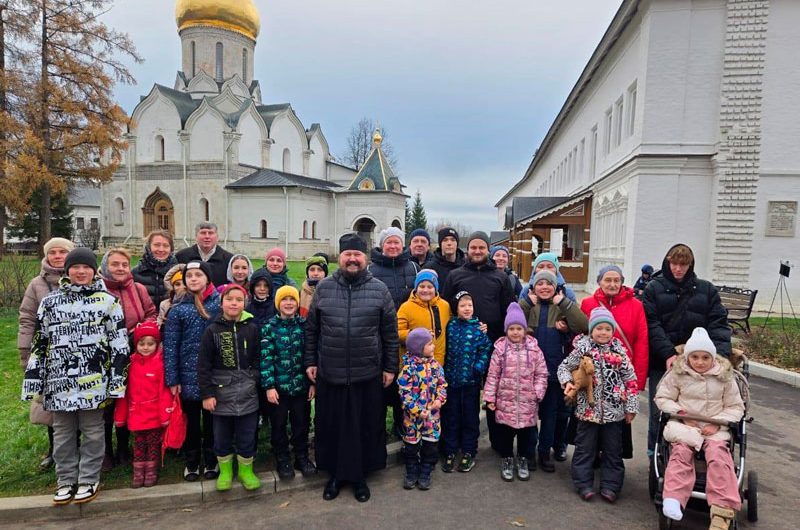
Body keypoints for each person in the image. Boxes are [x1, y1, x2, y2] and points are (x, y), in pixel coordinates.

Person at [21, 247, 129, 505]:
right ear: (67, 270)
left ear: (94, 271)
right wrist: (34, 378)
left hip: (94, 381)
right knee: (62, 432)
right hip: (59, 383)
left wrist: (117, 382)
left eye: (86, 267)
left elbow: (119, 344)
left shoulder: (108, 302)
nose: (81, 272)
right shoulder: (50, 302)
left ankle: (89, 478)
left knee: (93, 431)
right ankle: (66, 478)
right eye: (76, 267)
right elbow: (40, 342)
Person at [304, 233, 399, 503]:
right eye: (348, 255)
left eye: (358, 255)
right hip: (331, 371)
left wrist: (390, 367)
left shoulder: (379, 289)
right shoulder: (324, 288)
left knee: (364, 426)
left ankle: (359, 477)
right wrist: (310, 361)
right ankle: (334, 475)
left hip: (366, 372)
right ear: (340, 257)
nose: (353, 259)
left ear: (365, 258)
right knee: (333, 426)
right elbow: (312, 330)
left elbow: (389, 334)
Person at [643, 243, 731, 456]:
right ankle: (655, 452)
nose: (678, 269)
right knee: (661, 408)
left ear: (690, 265)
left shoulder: (706, 290)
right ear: (668, 262)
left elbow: (718, 324)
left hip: (699, 359)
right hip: (664, 359)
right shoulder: (654, 288)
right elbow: (652, 324)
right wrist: (668, 353)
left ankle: (695, 450)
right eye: (674, 263)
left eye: (683, 264)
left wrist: (719, 356)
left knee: (699, 408)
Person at [655, 328, 745, 529]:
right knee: (679, 454)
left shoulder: (725, 377)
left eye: (705, 357)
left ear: (713, 358)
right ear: (687, 357)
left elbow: (736, 406)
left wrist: (718, 422)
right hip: (685, 425)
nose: (700, 362)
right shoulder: (677, 374)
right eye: (695, 357)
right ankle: (673, 499)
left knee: (719, 456)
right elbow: (663, 398)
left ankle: (722, 510)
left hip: (715, 427)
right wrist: (681, 415)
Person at [440, 231, 515, 451]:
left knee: (494, 394)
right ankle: (455, 443)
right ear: (468, 249)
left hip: (493, 347)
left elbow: (509, 310)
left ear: (488, 250)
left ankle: (498, 441)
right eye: (473, 247)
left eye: (482, 247)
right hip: (462, 350)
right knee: (461, 399)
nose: (477, 251)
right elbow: (446, 309)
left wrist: (493, 331)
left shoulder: (500, 277)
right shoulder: (456, 275)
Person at [558, 307, 639, 502]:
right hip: (588, 411)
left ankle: (611, 486)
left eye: (607, 329)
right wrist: (567, 382)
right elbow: (563, 367)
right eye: (599, 328)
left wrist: (631, 407)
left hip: (614, 411)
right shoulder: (582, 349)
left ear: (612, 331)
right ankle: (583, 483)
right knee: (585, 449)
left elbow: (631, 380)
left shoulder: (619, 351)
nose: (603, 333)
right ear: (591, 330)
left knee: (613, 451)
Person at [520, 270, 588, 472]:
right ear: (533, 287)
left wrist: (564, 303)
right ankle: (528, 452)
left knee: (550, 415)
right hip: (528, 371)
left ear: (556, 287)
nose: (544, 287)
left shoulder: (562, 307)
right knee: (529, 415)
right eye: (539, 283)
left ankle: (544, 451)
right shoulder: (528, 305)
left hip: (552, 370)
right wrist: (526, 303)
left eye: (548, 284)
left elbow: (583, 325)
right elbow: (511, 320)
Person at [197, 284, 262, 491]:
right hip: (220, 392)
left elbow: (259, 358)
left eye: (239, 300)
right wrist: (207, 394)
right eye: (229, 299)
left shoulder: (252, 328)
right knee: (222, 435)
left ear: (245, 303)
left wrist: (255, 378)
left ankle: (245, 471)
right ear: (221, 302)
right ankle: (225, 471)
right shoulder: (212, 330)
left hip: (248, 393)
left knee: (247, 434)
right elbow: (204, 365)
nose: (234, 303)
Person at [18, 237, 75, 470]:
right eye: (53, 252)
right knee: (52, 403)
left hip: (79, 351)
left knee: (78, 403)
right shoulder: (37, 285)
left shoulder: (84, 277)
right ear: (47, 255)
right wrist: (25, 351)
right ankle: (55, 450)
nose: (58, 256)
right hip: (49, 352)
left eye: (63, 252)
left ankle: (78, 447)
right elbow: (27, 317)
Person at [580, 264, 648, 459]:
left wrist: (639, 379)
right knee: (590, 419)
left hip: (620, 375)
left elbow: (641, 342)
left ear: (622, 282)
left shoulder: (636, 306)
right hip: (593, 374)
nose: (612, 284)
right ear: (599, 281)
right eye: (607, 280)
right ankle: (590, 458)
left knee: (616, 425)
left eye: (616, 280)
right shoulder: (587, 304)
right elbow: (580, 337)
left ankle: (611, 460)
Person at [163, 260, 222, 481]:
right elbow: (170, 346)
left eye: (198, 275)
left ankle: (211, 458)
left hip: (213, 376)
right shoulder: (179, 309)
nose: (194, 279)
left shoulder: (218, 305)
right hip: (187, 376)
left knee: (211, 421)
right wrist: (173, 378)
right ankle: (191, 460)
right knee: (191, 422)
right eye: (190, 276)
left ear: (207, 278)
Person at [100, 248, 158, 470]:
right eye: (115, 264)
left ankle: (124, 447)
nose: (121, 269)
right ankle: (106, 451)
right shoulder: (98, 289)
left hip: (133, 352)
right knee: (107, 404)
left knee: (127, 399)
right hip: (105, 354)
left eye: (124, 264)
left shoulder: (138, 289)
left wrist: (141, 332)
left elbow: (151, 313)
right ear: (106, 266)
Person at [483, 302, 548, 482]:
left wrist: (538, 392)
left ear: (525, 330)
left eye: (519, 328)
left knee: (526, 436)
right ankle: (507, 459)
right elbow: (493, 375)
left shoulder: (534, 349)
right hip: (505, 402)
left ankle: (523, 459)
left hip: (528, 402)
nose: (515, 332)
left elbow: (542, 373)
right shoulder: (500, 350)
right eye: (512, 328)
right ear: (506, 330)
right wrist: (489, 397)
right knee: (505, 435)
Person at [261, 286, 317, 480]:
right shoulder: (269, 327)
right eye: (284, 300)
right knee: (278, 424)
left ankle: (301, 456)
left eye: (292, 299)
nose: (288, 303)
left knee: (301, 423)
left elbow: (310, 355)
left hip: (301, 387)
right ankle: (282, 456)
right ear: (278, 304)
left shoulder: (304, 326)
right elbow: (266, 359)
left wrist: (312, 383)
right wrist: (269, 386)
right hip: (278, 389)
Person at [113, 321, 172, 488]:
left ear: (157, 344)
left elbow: (164, 392)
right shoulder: (130, 364)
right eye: (142, 344)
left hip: (154, 414)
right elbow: (125, 393)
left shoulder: (160, 364)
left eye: (150, 344)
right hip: (136, 414)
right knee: (139, 444)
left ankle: (152, 470)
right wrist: (120, 416)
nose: (146, 347)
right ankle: (138, 471)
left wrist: (165, 415)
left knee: (153, 444)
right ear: (136, 344)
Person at [441, 291, 493, 473]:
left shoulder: (478, 328)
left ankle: (469, 451)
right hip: (451, 382)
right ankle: (450, 451)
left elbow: (486, 348)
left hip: (471, 383)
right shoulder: (450, 326)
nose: (467, 309)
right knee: (451, 417)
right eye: (463, 306)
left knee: (470, 419)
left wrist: (478, 367)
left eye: (469, 305)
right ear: (456, 308)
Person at [398, 328, 447, 490]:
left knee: (430, 447)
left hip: (432, 418)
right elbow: (404, 393)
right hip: (412, 419)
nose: (433, 347)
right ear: (419, 348)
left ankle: (425, 471)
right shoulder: (408, 369)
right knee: (411, 448)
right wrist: (417, 410)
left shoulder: (435, 366)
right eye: (429, 344)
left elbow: (442, 385)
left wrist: (440, 400)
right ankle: (412, 472)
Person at [368, 226, 419, 310]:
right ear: (382, 246)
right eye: (388, 242)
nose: (393, 246)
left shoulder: (414, 268)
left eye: (396, 242)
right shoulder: (369, 270)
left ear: (402, 245)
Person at [176, 222, 234, 288]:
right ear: (196, 237)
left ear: (217, 237)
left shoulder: (229, 259)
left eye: (211, 233)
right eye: (203, 233)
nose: (207, 236)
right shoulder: (181, 256)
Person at [132, 230, 178, 308]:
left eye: (166, 246)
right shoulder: (135, 273)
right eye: (157, 245)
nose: (161, 249)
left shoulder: (178, 272)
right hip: (145, 318)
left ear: (171, 249)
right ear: (149, 247)